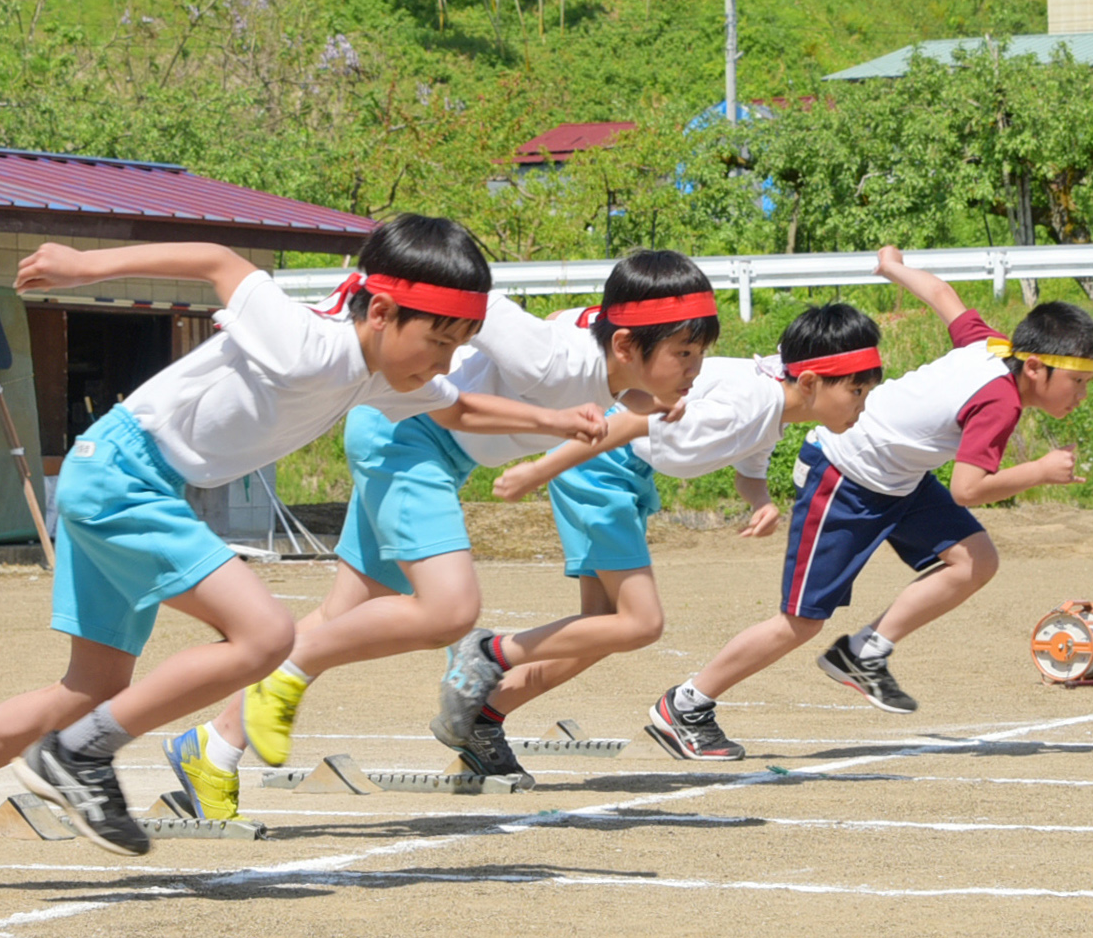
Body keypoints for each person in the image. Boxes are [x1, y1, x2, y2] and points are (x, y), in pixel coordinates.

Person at [0, 215, 605, 895]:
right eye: (438, 338)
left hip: (131, 480)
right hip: (121, 475)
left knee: (90, 684)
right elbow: (217, 258)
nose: (445, 358)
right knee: (265, 636)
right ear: (381, 309)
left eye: (458, 342)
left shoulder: (384, 373)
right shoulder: (310, 343)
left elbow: (458, 406)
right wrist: (83, 266)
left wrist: (551, 417)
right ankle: (80, 755)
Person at [165, 249, 718, 815]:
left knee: (347, 613)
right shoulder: (549, 359)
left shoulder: (610, 361)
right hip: (407, 439)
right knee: (447, 610)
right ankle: (289, 659)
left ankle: (212, 748)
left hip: (416, 444)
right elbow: (481, 301)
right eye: (684, 353)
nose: (695, 368)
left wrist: (655, 402)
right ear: (626, 345)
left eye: (700, 353)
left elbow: (623, 402)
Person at [647, 245, 1093, 760]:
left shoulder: (993, 345)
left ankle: (864, 651)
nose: (1081, 396)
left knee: (975, 559)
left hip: (898, 478)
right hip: (845, 472)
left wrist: (893, 268)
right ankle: (685, 705)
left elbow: (941, 295)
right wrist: (1040, 472)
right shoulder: (998, 401)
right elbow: (968, 489)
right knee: (801, 620)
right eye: (1079, 382)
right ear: (1039, 368)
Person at [432, 302, 884, 782]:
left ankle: (482, 716)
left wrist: (760, 502)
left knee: (603, 627)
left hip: (620, 471)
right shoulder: (750, 403)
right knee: (638, 623)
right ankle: (486, 654)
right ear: (811, 382)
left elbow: (749, 469)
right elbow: (627, 422)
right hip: (600, 464)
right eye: (857, 389)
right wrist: (539, 469)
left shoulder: (771, 407)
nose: (863, 403)